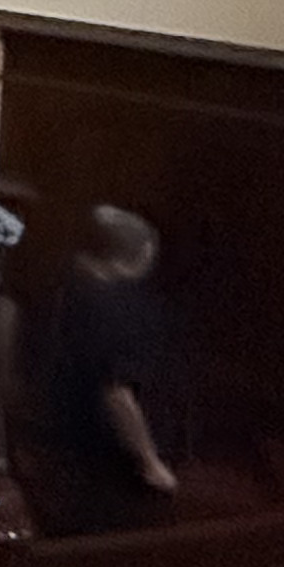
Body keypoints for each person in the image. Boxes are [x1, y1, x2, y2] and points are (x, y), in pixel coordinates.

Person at [39, 205, 182, 529]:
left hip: (53, 438)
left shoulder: (58, 287)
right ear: (142, 254)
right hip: (105, 457)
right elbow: (117, 393)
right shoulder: (120, 310)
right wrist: (149, 461)